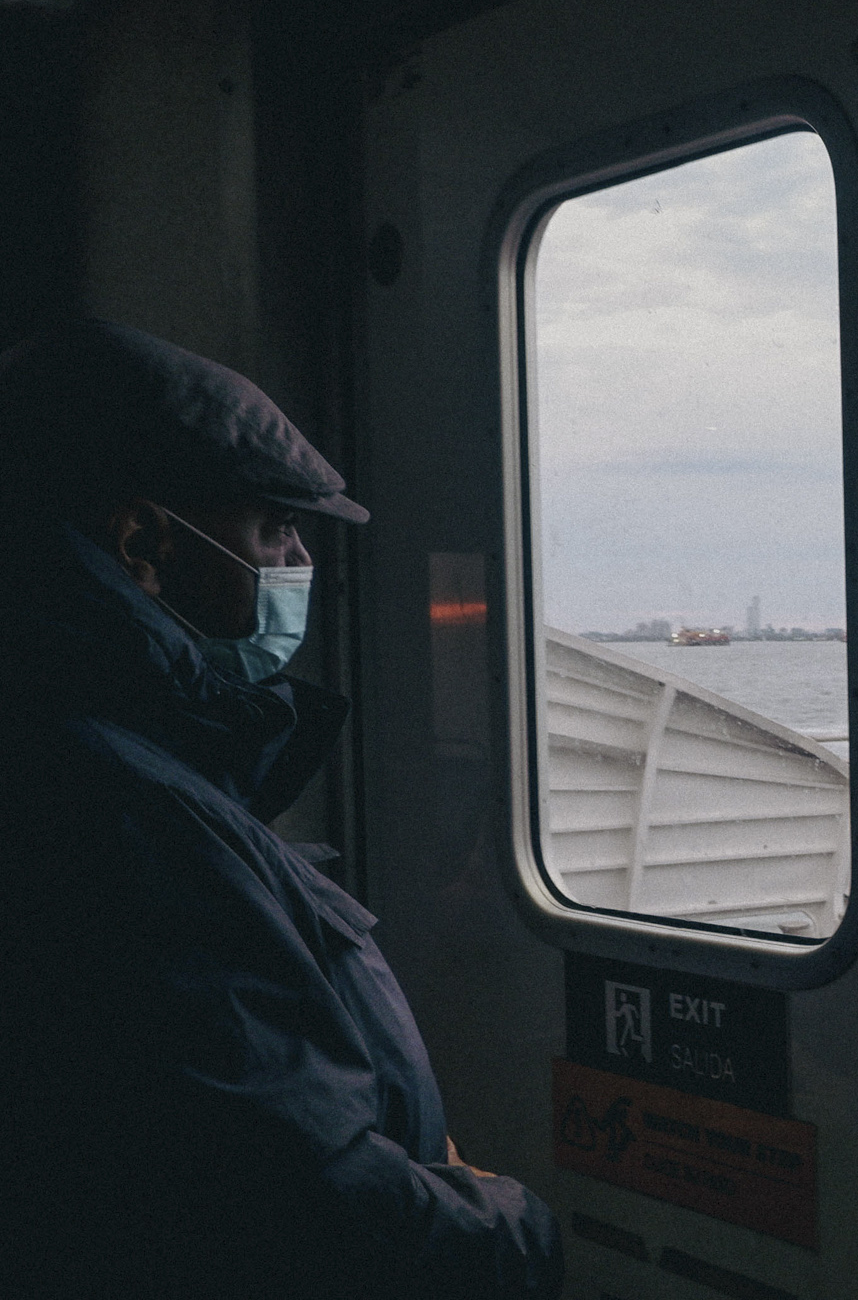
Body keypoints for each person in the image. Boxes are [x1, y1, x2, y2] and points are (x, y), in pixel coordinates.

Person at [0, 320, 562, 1298]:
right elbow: (307, 1209)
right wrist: (515, 1227)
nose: (298, 559)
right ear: (144, 542)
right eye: (273, 529)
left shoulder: (111, 756)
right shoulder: (126, 810)